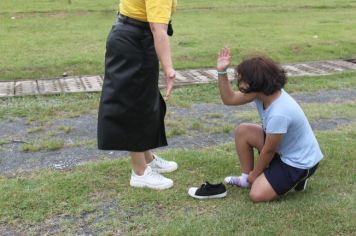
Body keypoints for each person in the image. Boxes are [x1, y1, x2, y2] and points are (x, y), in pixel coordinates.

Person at [216, 47, 323, 202]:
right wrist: (221, 72)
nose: (240, 81)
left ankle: (300, 179)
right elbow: (229, 99)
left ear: (255, 83)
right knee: (243, 131)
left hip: (299, 162)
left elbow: (269, 150)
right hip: (282, 151)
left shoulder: (279, 112)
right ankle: (245, 178)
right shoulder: (262, 94)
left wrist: (256, 174)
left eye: (242, 78)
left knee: (256, 194)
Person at [97, 0, 178, 190]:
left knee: (144, 101)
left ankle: (147, 159)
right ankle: (140, 172)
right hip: (133, 41)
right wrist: (168, 68)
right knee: (135, 105)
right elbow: (158, 29)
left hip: (134, 36)